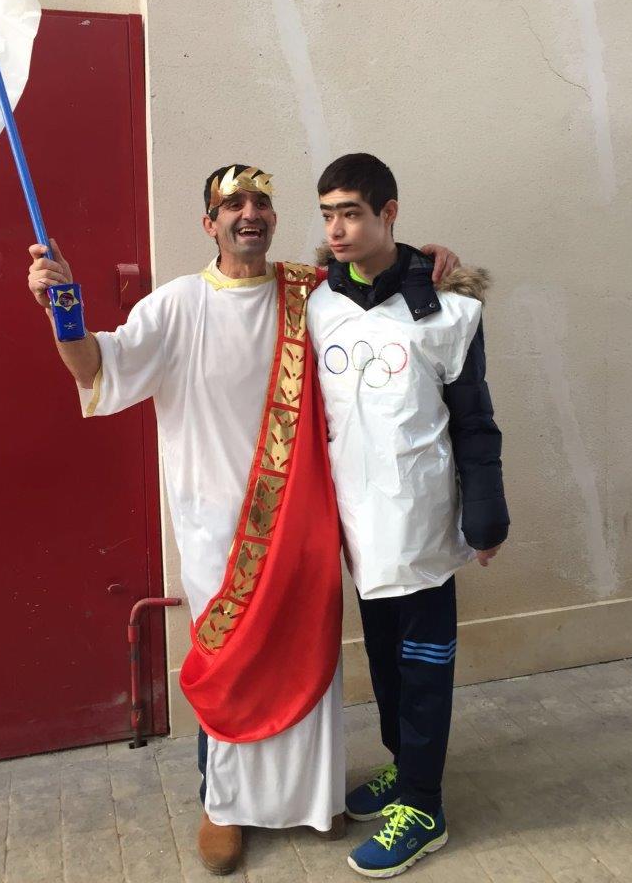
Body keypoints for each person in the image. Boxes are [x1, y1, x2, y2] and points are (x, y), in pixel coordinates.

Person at [27, 163, 460, 875]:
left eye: (261, 200)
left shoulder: (312, 294)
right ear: (210, 224)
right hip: (215, 531)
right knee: (230, 666)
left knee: (309, 660)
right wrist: (63, 308)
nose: (249, 212)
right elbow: (93, 369)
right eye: (232, 203)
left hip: (305, 522)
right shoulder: (174, 307)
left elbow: (382, 284)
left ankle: (312, 802)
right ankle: (223, 806)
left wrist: (431, 259)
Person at [307, 153, 510, 878]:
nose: (336, 227)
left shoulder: (449, 311)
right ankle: (403, 764)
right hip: (357, 529)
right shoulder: (315, 304)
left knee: (424, 668)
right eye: (328, 212)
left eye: (352, 212)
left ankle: (424, 806)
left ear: (390, 212)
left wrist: (486, 516)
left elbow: (475, 423)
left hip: (421, 522)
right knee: (387, 664)